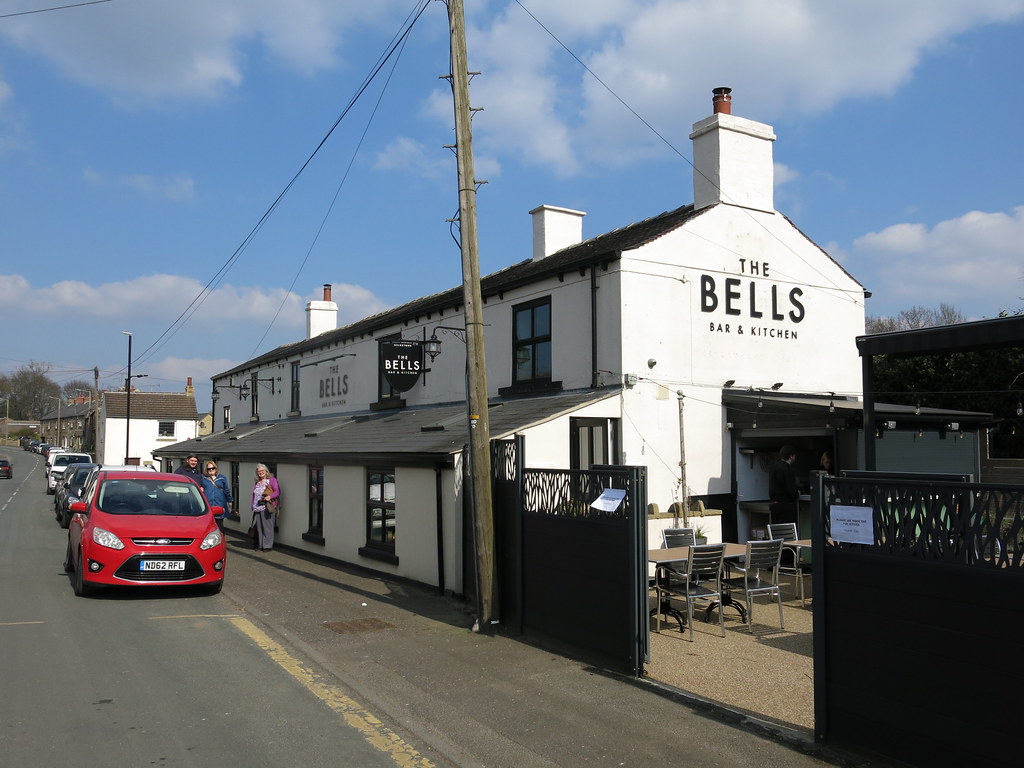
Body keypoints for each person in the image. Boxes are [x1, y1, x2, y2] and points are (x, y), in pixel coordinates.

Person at [251, 463, 280, 551]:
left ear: (266, 471)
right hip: (257, 508)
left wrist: (269, 497)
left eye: (262, 471)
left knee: (268, 527)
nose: (261, 472)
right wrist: (252, 505)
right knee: (260, 528)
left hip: (267, 507)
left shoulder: (272, 480)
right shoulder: (257, 482)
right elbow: (254, 495)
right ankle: (261, 545)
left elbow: (277, 491)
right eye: (259, 471)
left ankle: (268, 546)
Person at [768, 444, 800, 524]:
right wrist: (797, 493)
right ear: (791, 456)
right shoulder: (788, 470)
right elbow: (792, 491)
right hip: (786, 507)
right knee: (787, 532)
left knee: (777, 532)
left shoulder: (774, 467)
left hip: (775, 505)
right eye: (794, 456)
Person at [201, 461, 234, 530]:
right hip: (209, 505)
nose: (211, 470)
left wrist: (230, 500)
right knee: (210, 525)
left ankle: (221, 539)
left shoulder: (222, 478)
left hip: (220, 504)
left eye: (212, 468)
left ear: (215, 468)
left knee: (219, 524)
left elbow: (226, 490)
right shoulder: (204, 479)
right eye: (209, 469)